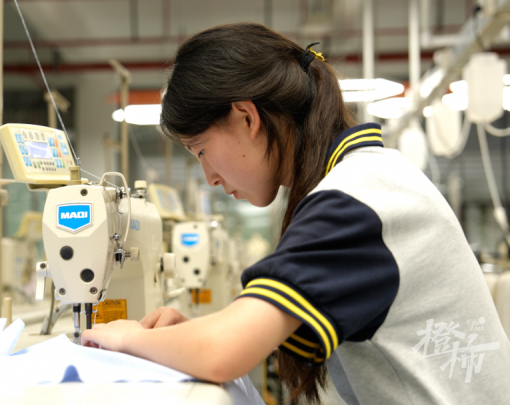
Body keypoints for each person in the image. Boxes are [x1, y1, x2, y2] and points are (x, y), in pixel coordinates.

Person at [82, 22, 510, 404]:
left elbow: (222, 352)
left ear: (246, 117)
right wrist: (191, 335)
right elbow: (240, 335)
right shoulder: (367, 177)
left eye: (201, 151)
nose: (209, 177)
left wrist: (129, 338)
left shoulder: (356, 199)